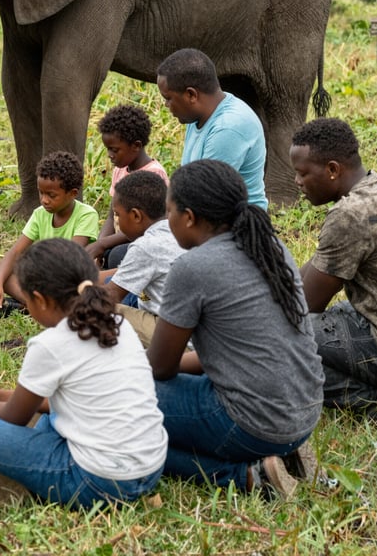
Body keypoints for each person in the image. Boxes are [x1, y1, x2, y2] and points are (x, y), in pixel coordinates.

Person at [0, 238, 168, 508]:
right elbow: (73, 401)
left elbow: (15, 416)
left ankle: (18, 488)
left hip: (97, 482)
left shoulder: (50, 344)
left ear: (39, 300)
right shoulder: (117, 323)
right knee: (44, 418)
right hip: (150, 470)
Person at [148, 159, 324, 498]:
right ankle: (283, 456)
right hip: (303, 412)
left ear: (188, 217)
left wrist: (128, 366)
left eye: (168, 212)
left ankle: (246, 476)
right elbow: (242, 351)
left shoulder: (193, 267)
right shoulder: (270, 247)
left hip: (252, 424)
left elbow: (159, 367)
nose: (166, 221)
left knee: (119, 412)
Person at [290, 117, 377, 413]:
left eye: (302, 174)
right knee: (340, 314)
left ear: (332, 170)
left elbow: (306, 306)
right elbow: (319, 264)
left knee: (285, 343)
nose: (297, 182)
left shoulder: (349, 215)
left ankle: (373, 402)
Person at [0, 151, 99, 314]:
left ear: (73, 193)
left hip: (71, 279)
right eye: (41, 192)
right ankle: (37, 306)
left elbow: (71, 257)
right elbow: (16, 251)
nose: (44, 199)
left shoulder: (87, 215)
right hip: (44, 278)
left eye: (51, 195)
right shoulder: (40, 213)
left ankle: (37, 307)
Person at [156, 48, 268, 209]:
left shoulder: (228, 127)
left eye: (168, 98)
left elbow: (203, 198)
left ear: (191, 95)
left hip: (238, 225)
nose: (166, 105)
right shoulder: (199, 115)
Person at [100, 172, 185, 347]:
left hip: (178, 340)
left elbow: (108, 298)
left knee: (99, 311)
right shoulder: (180, 231)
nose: (116, 220)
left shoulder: (146, 247)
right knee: (117, 284)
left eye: (117, 215)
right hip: (196, 328)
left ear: (136, 216)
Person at [87, 104, 169, 269]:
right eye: (107, 149)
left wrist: (103, 245)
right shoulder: (120, 169)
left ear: (136, 146)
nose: (110, 155)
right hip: (121, 240)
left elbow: (147, 227)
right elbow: (112, 217)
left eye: (114, 150)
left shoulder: (153, 174)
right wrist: (100, 246)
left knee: (117, 255)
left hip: (146, 243)